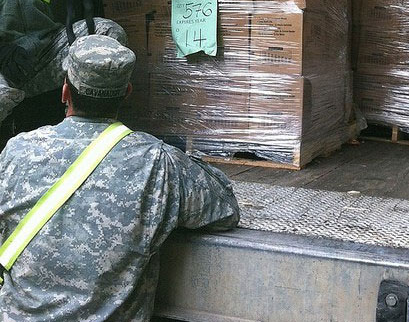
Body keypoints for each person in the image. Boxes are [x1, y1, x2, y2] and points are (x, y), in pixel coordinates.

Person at [0, 34, 240, 321]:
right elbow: (224, 209)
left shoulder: (17, 151)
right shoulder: (159, 162)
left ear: (65, 92)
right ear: (127, 92)